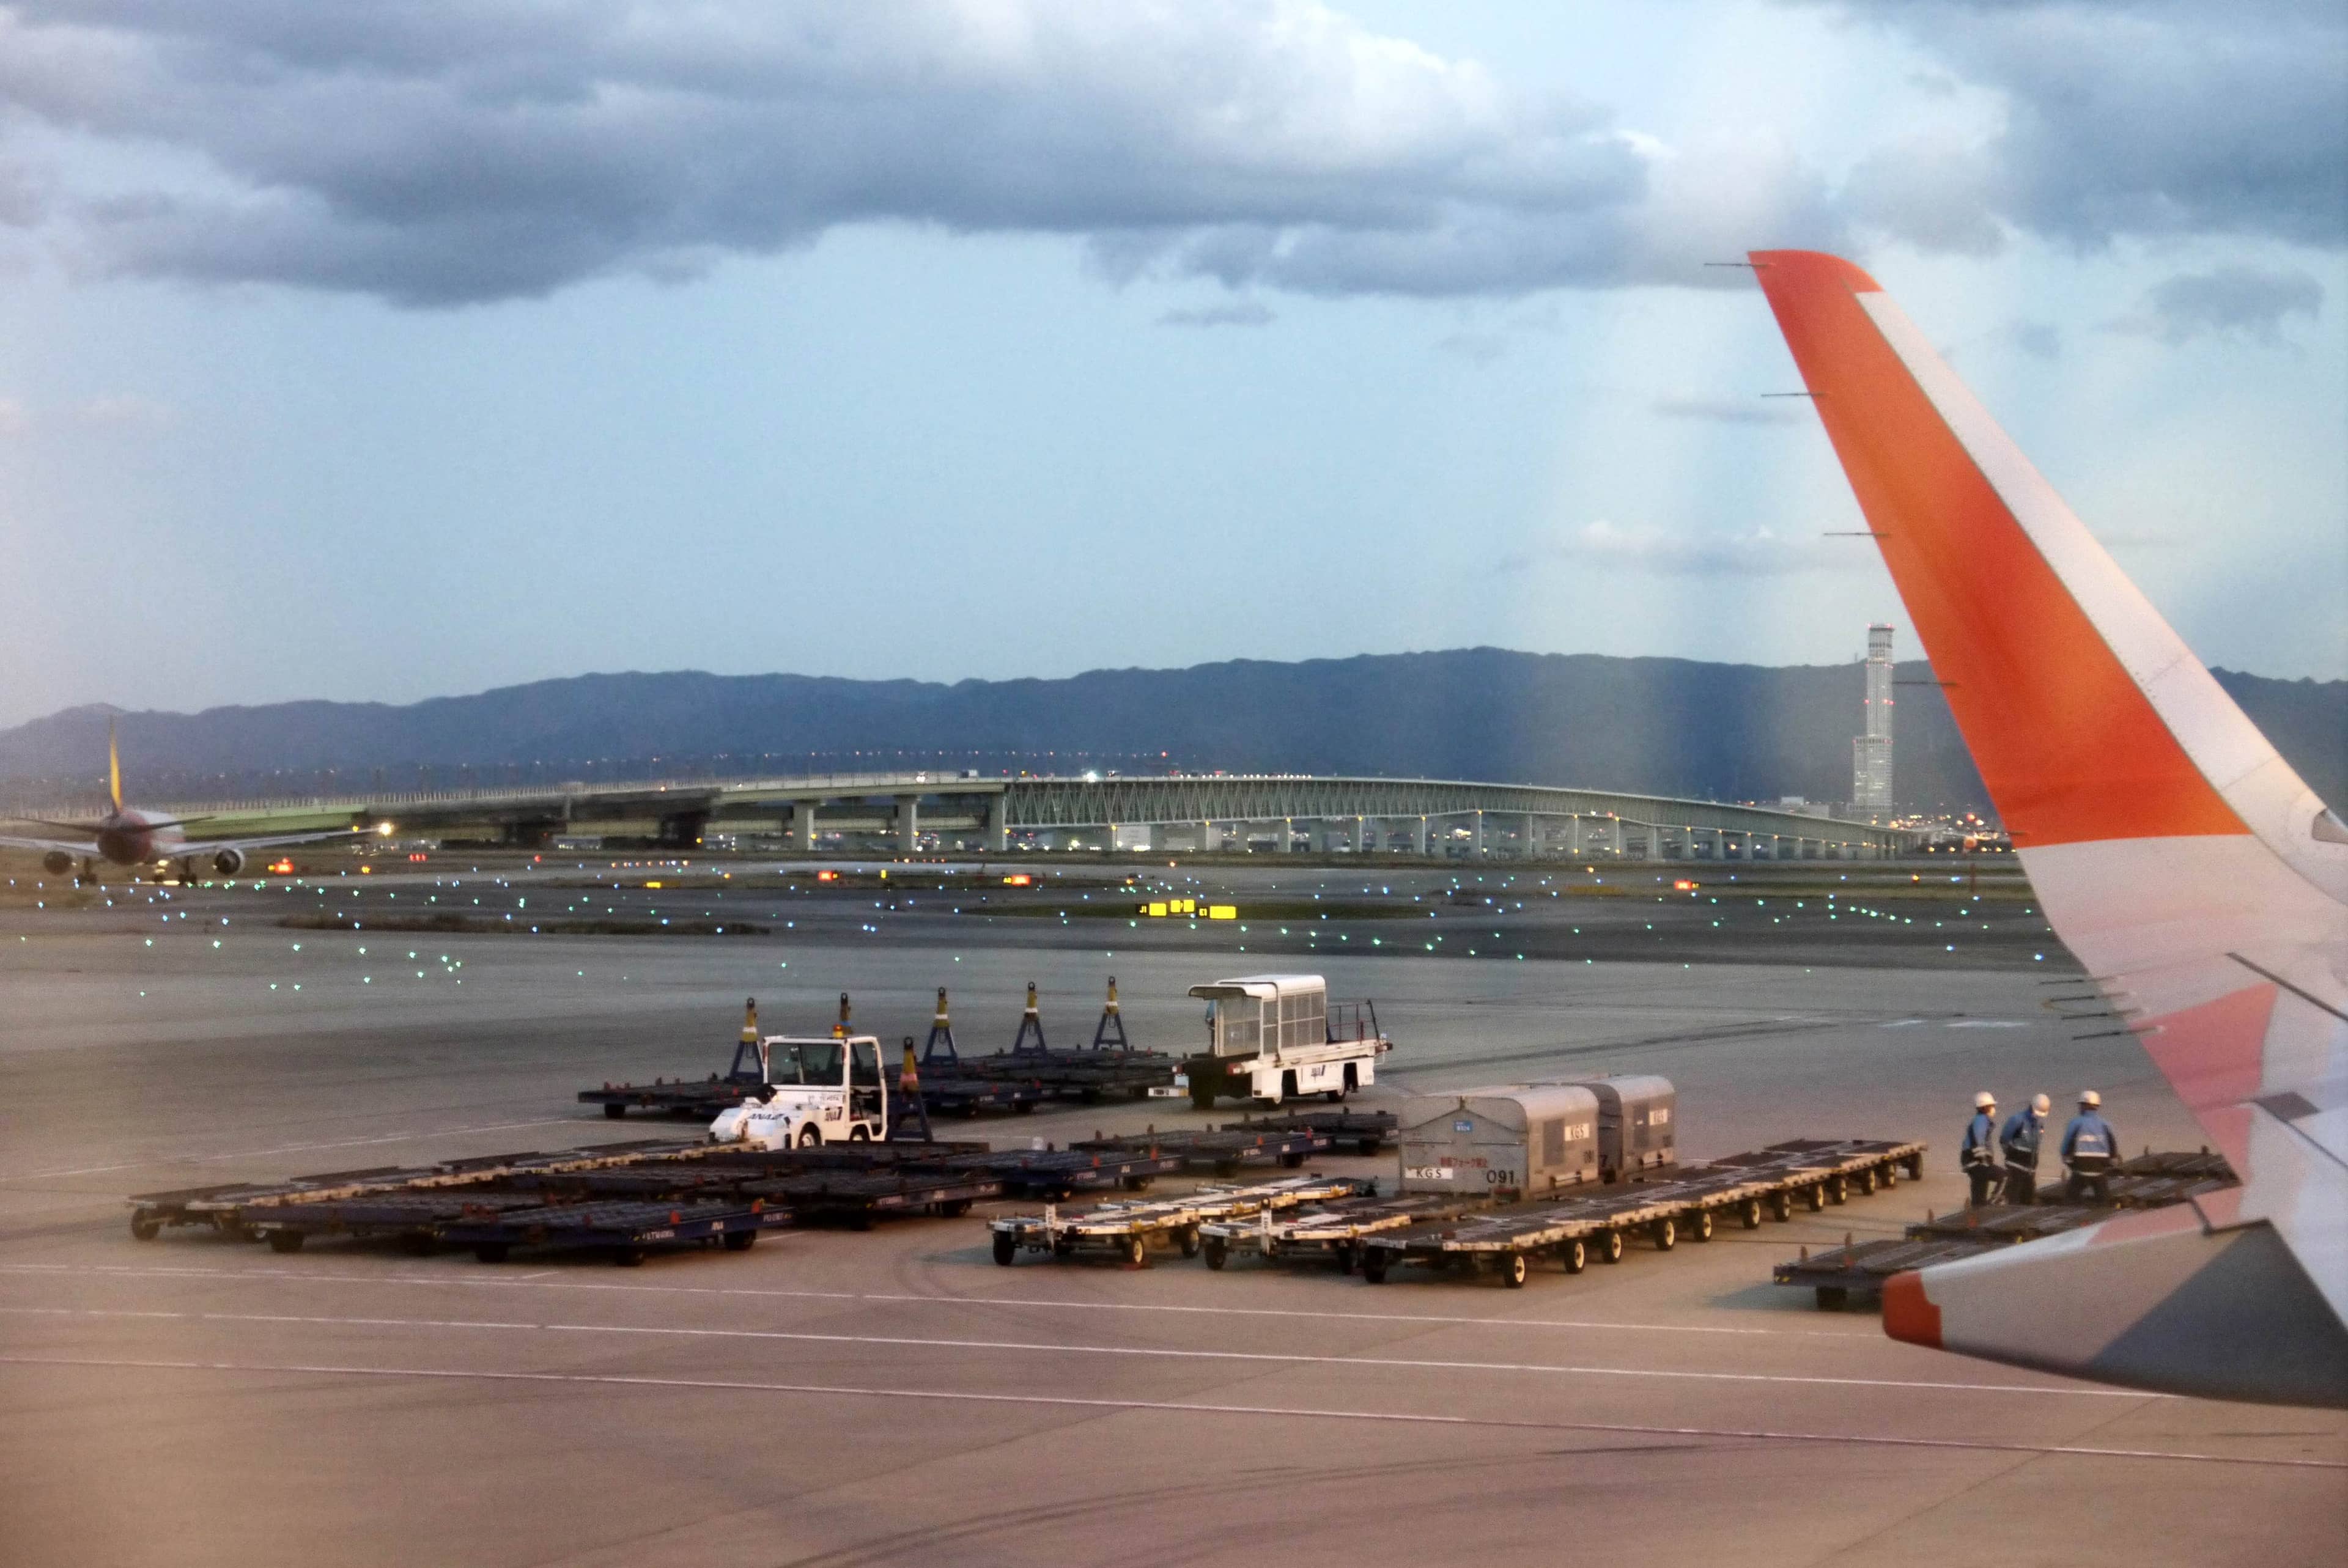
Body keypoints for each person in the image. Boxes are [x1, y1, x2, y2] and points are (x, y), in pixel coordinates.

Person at [2062, 1090, 2119, 1202]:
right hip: (2100, 1169)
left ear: (2084, 1106)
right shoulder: (2106, 1125)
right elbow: (2113, 1147)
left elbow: (2066, 1147)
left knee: (2071, 1198)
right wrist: (2111, 1162)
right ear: (2097, 1106)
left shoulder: (2075, 1123)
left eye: (2081, 1105)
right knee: (2103, 1200)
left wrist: (2069, 1161)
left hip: (2080, 1167)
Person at [1999, 1094, 2050, 1205]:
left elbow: (2036, 1145)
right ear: (2032, 1107)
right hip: (2015, 1165)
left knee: (2029, 1197)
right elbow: (2004, 1139)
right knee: (2014, 1196)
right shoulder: (2017, 1120)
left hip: (2030, 1168)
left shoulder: (2039, 1124)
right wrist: (2011, 1153)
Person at [1960, 1092, 2001, 1205]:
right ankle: (1993, 1203)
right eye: (1992, 1106)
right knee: (2005, 1177)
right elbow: (1979, 1143)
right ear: (1985, 1107)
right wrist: (1985, 1163)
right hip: (1977, 1163)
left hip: (1972, 1163)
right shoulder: (1982, 1120)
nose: (1994, 1109)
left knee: (1979, 1198)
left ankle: (1979, 1209)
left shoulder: (1979, 1120)